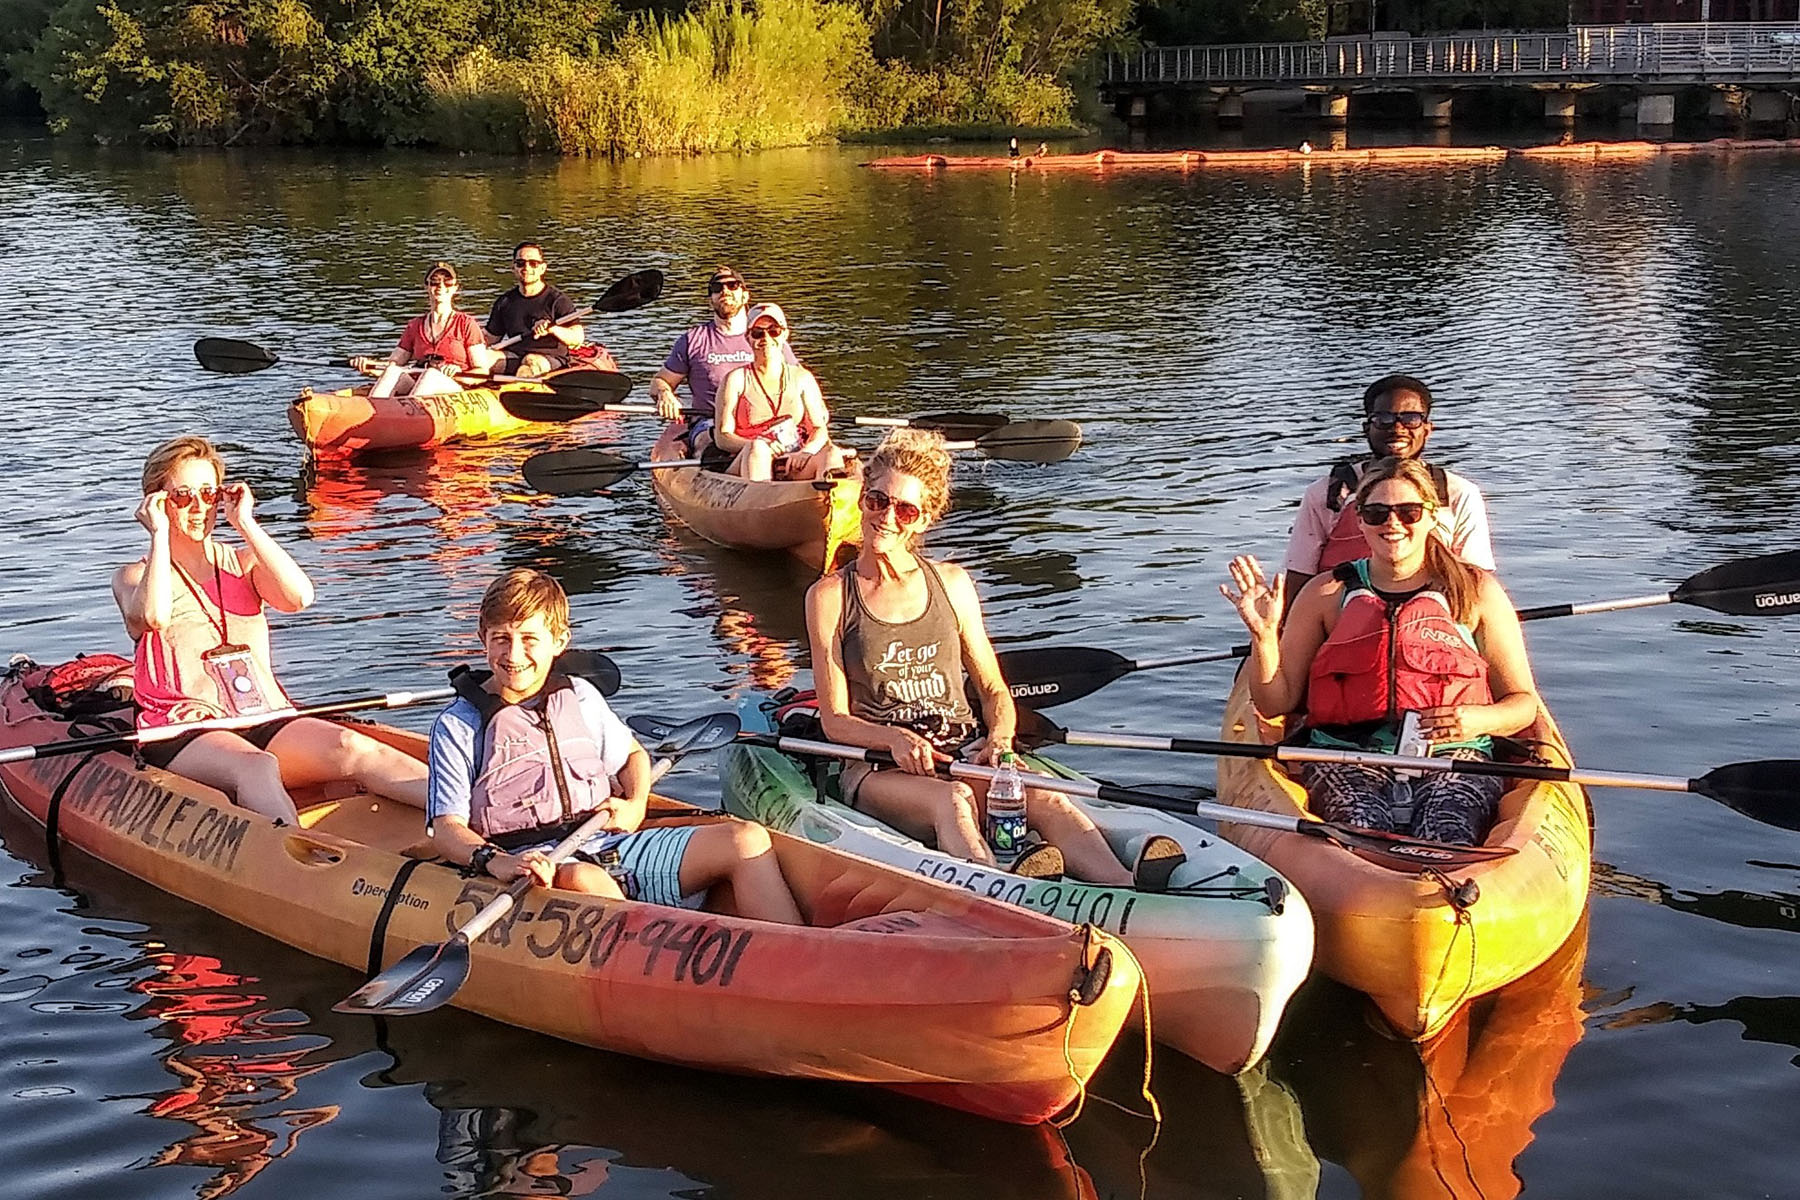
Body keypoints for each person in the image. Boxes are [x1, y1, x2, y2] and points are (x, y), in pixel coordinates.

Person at [806, 430, 1186, 889]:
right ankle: (1005, 889)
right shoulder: (829, 596)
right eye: (877, 500)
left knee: (1048, 801)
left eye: (904, 509)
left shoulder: (951, 583)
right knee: (954, 800)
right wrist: (892, 739)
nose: (887, 517)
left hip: (960, 749)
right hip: (878, 765)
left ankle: (1125, 887)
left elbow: (992, 689)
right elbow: (835, 721)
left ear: (924, 519)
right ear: (863, 499)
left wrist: (1000, 740)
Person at [426, 568, 804, 922]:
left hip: (609, 843)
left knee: (745, 839)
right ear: (483, 638)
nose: (513, 655)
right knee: (585, 880)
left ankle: (800, 961)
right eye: (501, 639)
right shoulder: (459, 725)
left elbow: (633, 757)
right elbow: (447, 829)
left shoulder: (580, 696)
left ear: (559, 641)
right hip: (534, 864)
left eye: (529, 640)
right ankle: (654, 965)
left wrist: (635, 803)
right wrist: (496, 861)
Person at [1222, 457, 1542, 845]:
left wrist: (1477, 720)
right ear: (1359, 520)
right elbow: (1275, 703)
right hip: (1345, 756)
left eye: (1408, 512)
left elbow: (1523, 703)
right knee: (1362, 829)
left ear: (1431, 517)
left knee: (1447, 832)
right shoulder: (1326, 593)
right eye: (1376, 513)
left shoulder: (1476, 592)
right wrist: (1265, 636)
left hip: (1454, 754)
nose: (1393, 524)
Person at [113, 436, 429, 825]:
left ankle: (473, 823)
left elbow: (299, 597)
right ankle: (299, 860)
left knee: (353, 746)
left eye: (209, 493)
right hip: (184, 730)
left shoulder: (244, 563)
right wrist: (159, 533)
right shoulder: (136, 575)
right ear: (157, 502)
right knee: (257, 767)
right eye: (182, 496)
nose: (198, 507)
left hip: (263, 717)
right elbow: (154, 616)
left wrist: (245, 523)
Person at [1281, 373, 1495, 606]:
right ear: (1366, 428)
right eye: (1383, 419)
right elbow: (1299, 578)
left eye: (1411, 419)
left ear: (1427, 429)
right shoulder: (1326, 495)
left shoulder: (1460, 494)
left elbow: (1477, 583)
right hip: (1341, 621)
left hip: (1433, 623)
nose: (1398, 428)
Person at [649, 265, 796, 457]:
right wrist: (664, 394)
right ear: (711, 299)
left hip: (763, 421)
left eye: (732, 285)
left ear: (745, 295)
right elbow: (659, 381)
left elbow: (796, 383)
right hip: (710, 420)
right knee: (707, 443)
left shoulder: (770, 339)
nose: (725, 291)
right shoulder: (693, 340)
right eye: (717, 288)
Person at [712, 303, 852, 482]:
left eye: (773, 331)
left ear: (785, 334)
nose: (766, 338)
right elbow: (723, 438)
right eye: (758, 333)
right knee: (758, 449)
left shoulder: (802, 378)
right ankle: (761, 499)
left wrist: (805, 452)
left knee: (831, 452)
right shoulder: (735, 379)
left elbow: (819, 428)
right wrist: (762, 445)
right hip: (748, 459)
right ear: (747, 337)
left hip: (793, 458)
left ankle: (830, 496)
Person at [349, 262, 495, 398]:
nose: (441, 287)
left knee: (431, 375)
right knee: (392, 372)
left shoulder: (466, 324)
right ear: (427, 287)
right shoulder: (414, 325)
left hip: (455, 387)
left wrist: (458, 372)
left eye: (447, 282)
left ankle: (410, 415)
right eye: (435, 282)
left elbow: (481, 370)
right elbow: (392, 364)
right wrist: (368, 366)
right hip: (417, 382)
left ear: (455, 288)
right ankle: (376, 412)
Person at [485, 241, 583, 378]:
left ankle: (519, 392)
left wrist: (552, 328)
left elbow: (577, 338)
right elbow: (490, 337)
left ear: (542, 268)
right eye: (520, 263)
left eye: (533, 263)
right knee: (481, 358)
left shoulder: (558, 301)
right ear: (513, 267)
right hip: (515, 355)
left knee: (530, 361)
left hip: (549, 359)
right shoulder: (505, 302)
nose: (526, 268)